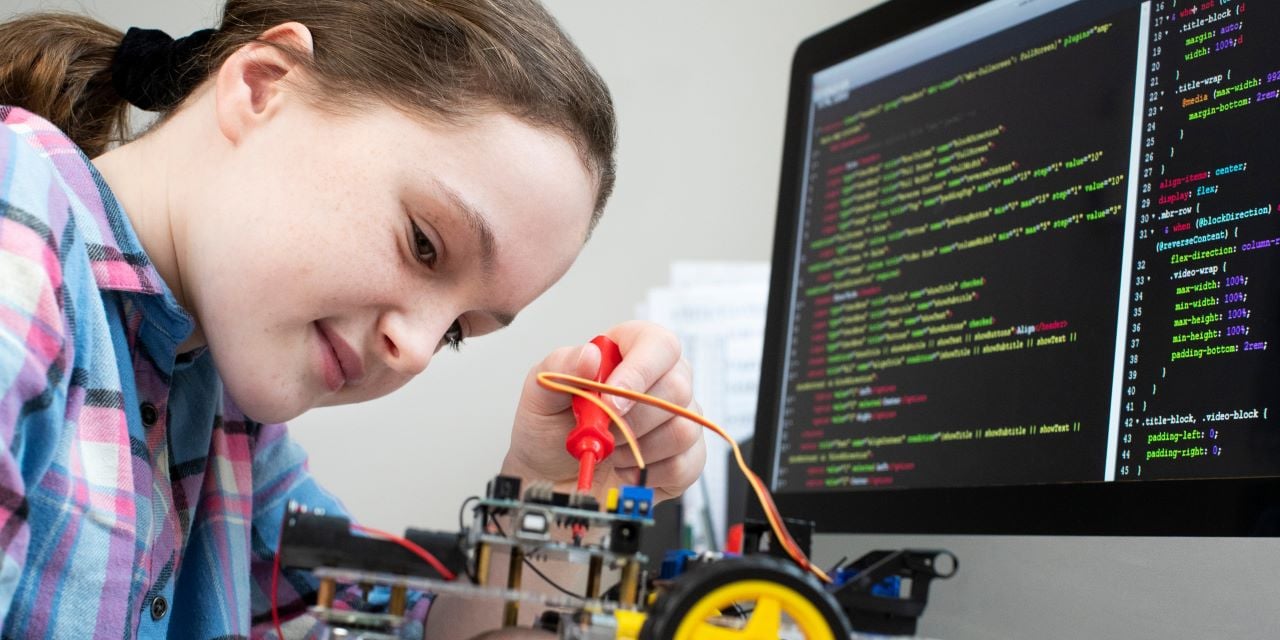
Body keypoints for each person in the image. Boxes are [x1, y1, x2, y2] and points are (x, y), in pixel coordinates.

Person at [0, 1, 705, 638]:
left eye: (458, 331)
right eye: (424, 244)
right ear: (264, 87)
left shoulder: (219, 400)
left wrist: (544, 486)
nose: (418, 350)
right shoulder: (18, 233)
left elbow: (412, 623)